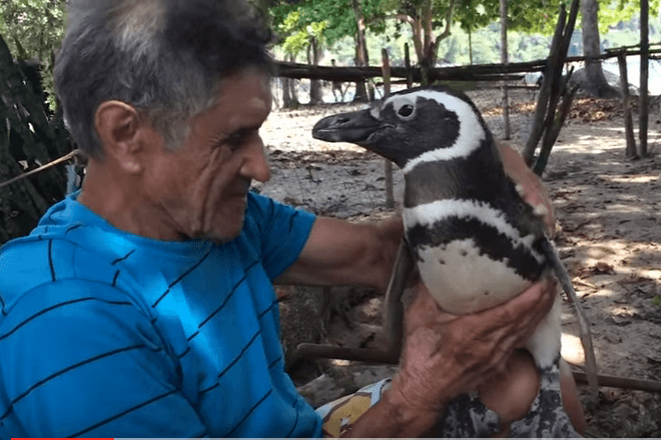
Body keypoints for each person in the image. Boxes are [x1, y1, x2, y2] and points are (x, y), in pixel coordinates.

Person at [0, 0, 579, 437]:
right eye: (234, 139)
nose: (262, 167)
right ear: (127, 135)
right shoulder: (67, 317)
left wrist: (471, 160)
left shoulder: (219, 219)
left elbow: (379, 254)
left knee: (536, 380)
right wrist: (413, 399)